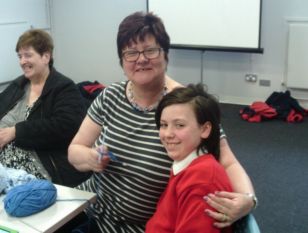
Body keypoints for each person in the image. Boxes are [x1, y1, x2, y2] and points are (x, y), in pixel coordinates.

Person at [68, 11, 256, 232]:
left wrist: (248, 200)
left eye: (150, 50)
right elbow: (74, 150)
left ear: (166, 55)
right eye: (131, 53)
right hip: (95, 214)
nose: (141, 59)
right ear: (122, 60)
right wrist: (91, 158)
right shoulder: (110, 96)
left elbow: (228, 163)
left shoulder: (185, 104)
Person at [0, 29, 89, 187]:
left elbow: (65, 126)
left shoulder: (64, 87)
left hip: (41, 171)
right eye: (19, 56)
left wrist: (16, 132)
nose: (22, 61)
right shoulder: (18, 85)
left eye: (28, 55)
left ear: (46, 56)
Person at [146, 83, 233, 233]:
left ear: (205, 129)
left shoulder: (203, 180)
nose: (167, 134)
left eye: (179, 125)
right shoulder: (188, 166)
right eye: (163, 125)